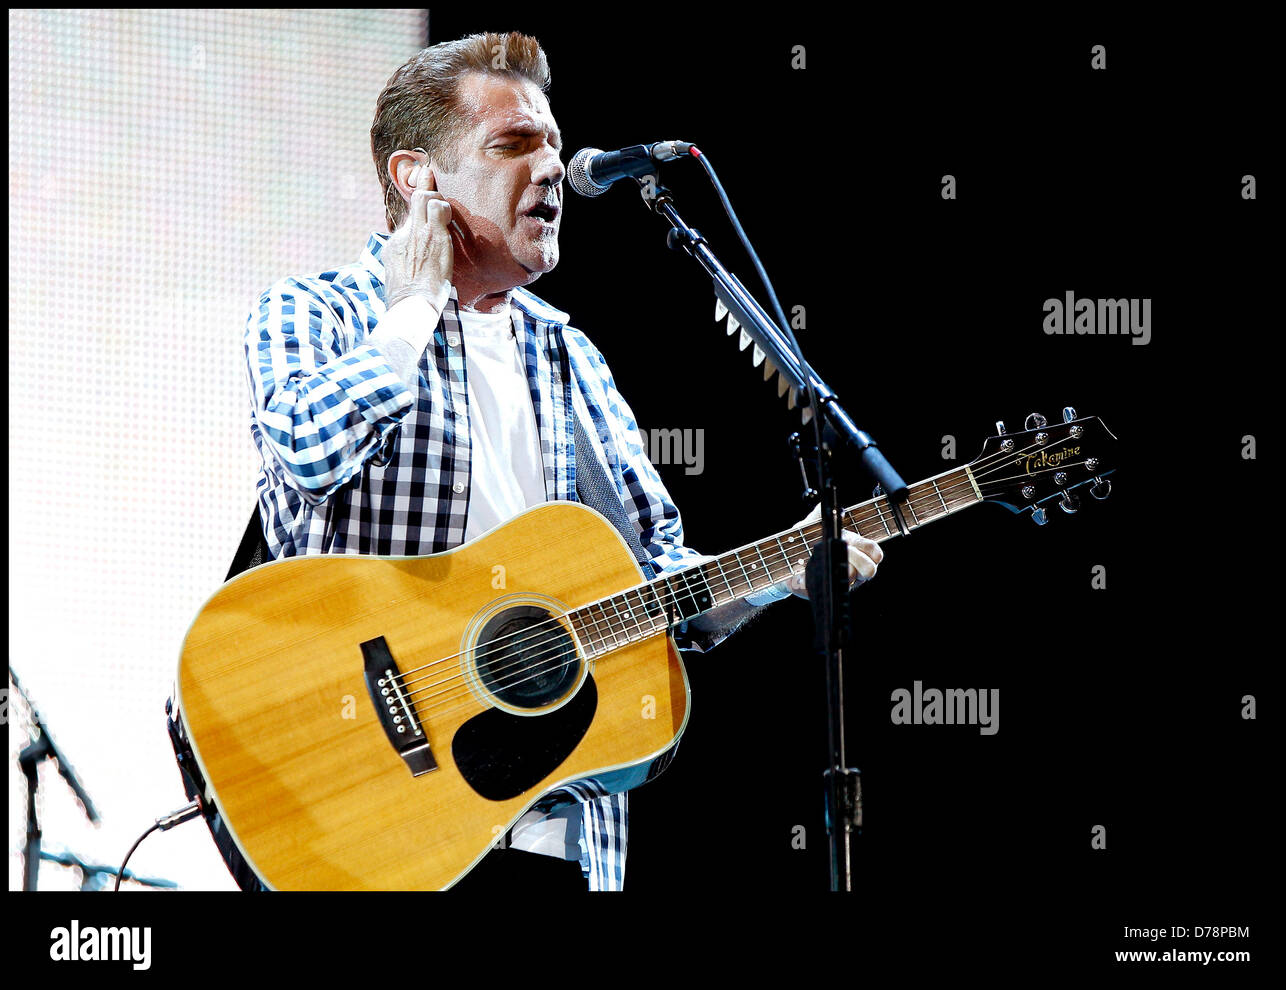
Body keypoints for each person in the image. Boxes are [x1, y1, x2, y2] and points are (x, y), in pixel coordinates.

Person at [243, 31, 883, 891]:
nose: (550, 168)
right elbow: (311, 452)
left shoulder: (569, 356)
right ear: (417, 178)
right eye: (511, 145)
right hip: (368, 817)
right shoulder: (314, 312)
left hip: (557, 843)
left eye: (552, 141)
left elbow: (663, 585)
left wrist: (785, 572)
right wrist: (415, 308)